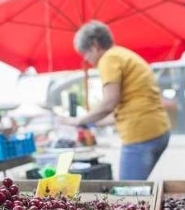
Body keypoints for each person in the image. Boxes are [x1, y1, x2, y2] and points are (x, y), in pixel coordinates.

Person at [60, 20, 171, 180]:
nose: (87, 59)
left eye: (86, 53)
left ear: (95, 45)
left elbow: (109, 102)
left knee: (127, 192)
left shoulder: (109, 59)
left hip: (141, 134)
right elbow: (121, 109)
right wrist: (91, 122)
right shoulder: (122, 54)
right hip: (157, 129)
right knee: (136, 189)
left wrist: (78, 120)